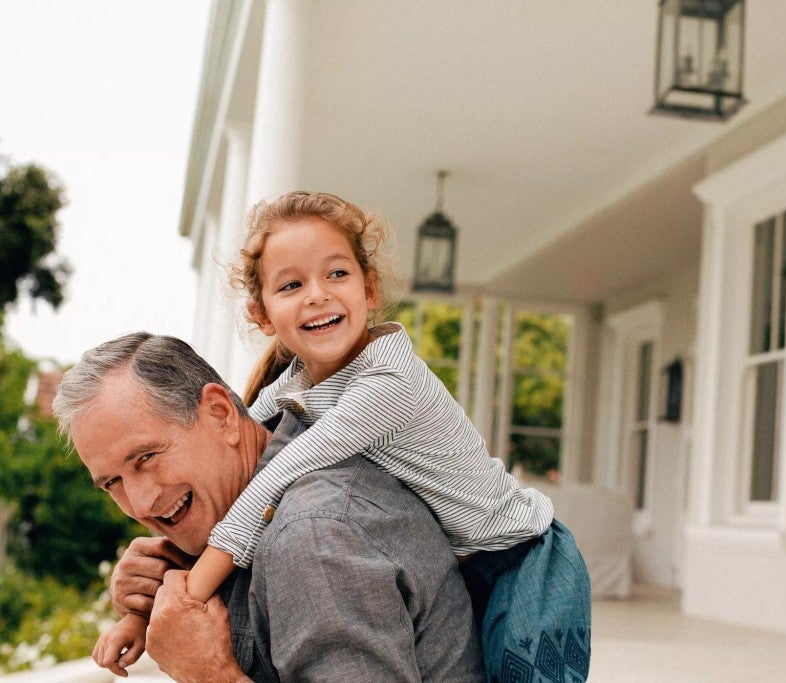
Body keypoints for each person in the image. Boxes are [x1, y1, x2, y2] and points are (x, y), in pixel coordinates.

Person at [98, 190, 591, 681]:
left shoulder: (387, 386)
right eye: (291, 285)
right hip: (468, 560)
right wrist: (146, 605)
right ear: (262, 314)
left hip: (523, 561)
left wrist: (189, 598)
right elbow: (238, 429)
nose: (318, 294)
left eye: (337, 273)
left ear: (369, 288)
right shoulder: (297, 387)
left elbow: (274, 477)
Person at [54, 332, 484, 681]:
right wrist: (153, 592)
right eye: (113, 482)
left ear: (221, 414)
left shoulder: (312, 537)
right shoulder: (242, 502)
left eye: (146, 457)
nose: (141, 503)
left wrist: (210, 674)